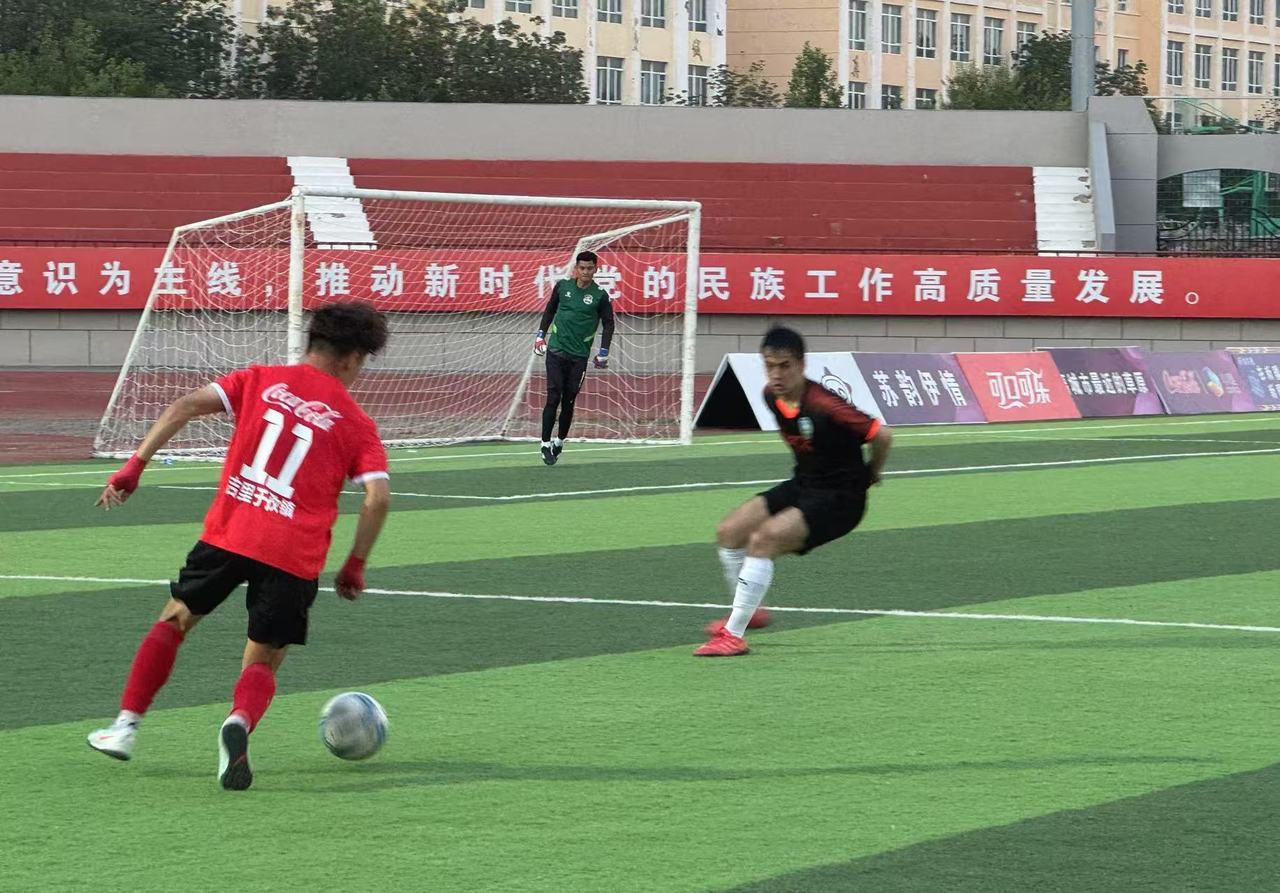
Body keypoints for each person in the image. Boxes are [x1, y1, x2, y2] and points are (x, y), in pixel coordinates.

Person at [86, 302, 393, 790]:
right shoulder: (356, 423)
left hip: (231, 532)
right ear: (354, 357)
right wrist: (355, 563)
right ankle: (239, 721)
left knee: (175, 619)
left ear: (313, 342)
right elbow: (377, 498)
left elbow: (183, 406)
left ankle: (125, 728)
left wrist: (134, 467)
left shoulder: (259, 379)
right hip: (294, 554)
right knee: (265, 656)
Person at [695, 325, 892, 657]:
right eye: (770, 366)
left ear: (801, 364)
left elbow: (882, 434)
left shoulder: (824, 404)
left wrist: (872, 471)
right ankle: (749, 611)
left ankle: (733, 635)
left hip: (841, 498)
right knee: (729, 531)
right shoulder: (770, 396)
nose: (776, 374)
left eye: (784, 366)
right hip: (805, 484)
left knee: (763, 540)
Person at [533, 250, 614, 465]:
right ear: (576, 269)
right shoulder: (563, 287)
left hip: (579, 356)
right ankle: (544, 444)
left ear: (596, 269)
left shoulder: (600, 296)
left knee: (568, 400)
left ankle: (559, 441)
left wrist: (603, 352)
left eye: (590, 268)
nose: (585, 272)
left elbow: (609, 324)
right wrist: (540, 336)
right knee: (553, 397)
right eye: (582, 268)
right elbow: (549, 311)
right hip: (556, 351)